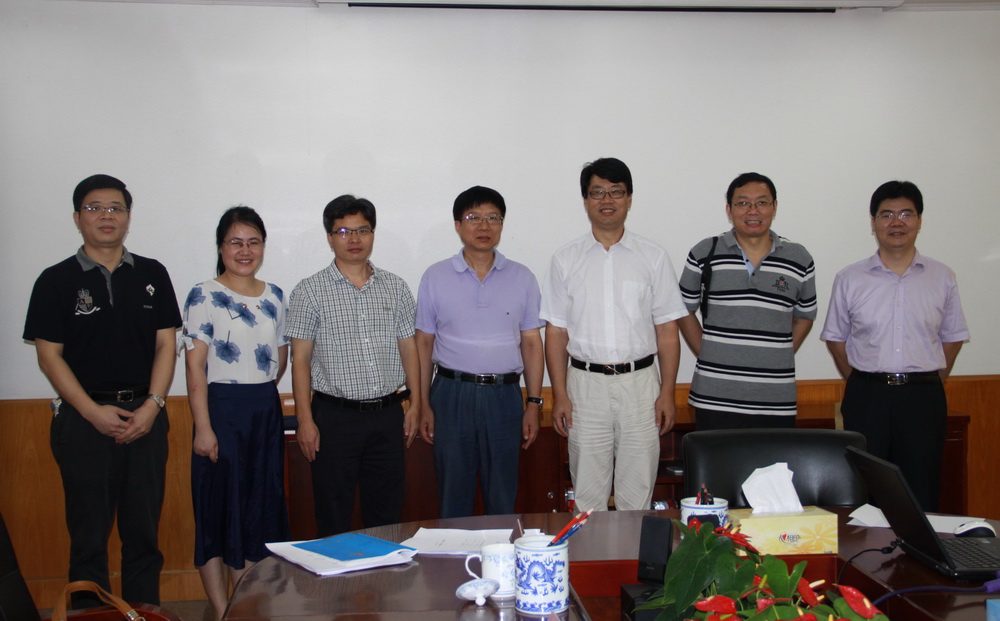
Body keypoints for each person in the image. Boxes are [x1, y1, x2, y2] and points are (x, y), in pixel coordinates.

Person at [22, 174, 181, 607]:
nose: (106, 216)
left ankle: (143, 612)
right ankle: (89, 614)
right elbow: (49, 356)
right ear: (77, 218)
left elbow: (166, 345)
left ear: (128, 217)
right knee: (88, 538)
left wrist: (153, 405)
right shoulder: (54, 280)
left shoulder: (152, 273)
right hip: (82, 423)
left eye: (116, 208)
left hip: (146, 416)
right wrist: (92, 412)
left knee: (143, 534)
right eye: (94, 208)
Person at [541, 158, 687, 513]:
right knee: (587, 495)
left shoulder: (653, 257)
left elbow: (667, 330)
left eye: (616, 192)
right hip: (584, 386)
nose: (607, 200)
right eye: (597, 193)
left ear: (629, 198)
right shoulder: (565, 259)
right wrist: (560, 394)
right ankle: (591, 551)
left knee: (637, 494)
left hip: (641, 385)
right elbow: (556, 333)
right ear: (585, 200)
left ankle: (631, 552)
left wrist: (668, 392)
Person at [820, 180, 969, 511]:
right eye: (886, 214)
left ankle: (919, 547)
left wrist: (929, 379)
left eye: (906, 214)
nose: (896, 222)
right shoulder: (850, 278)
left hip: (923, 397)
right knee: (865, 490)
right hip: (867, 396)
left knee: (922, 487)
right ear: (873, 223)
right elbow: (836, 338)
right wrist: (862, 380)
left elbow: (953, 336)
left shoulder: (942, 276)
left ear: (919, 220)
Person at [285, 194, 420, 537]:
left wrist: (417, 403)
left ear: (373, 234)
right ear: (330, 238)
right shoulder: (310, 291)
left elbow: (409, 349)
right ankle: (335, 574)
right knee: (333, 515)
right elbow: (300, 360)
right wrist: (305, 421)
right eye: (344, 231)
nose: (354, 239)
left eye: (362, 230)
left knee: (387, 516)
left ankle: (386, 572)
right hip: (334, 419)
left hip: (387, 415)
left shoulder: (395, 287)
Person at [181, 206, 290, 620]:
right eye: (235, 242)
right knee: (217, 508)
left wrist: (260, 390)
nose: (245, 251)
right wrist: (203, 428)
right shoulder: (204, 294)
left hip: (264, 411)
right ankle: (222, 609)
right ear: (220, 247)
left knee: (257, 507)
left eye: (253, 242)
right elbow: (194, 366)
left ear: (263, 246)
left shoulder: (275, 295)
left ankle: (249, 605)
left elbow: (280, 358)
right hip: (220, 414)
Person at [415, 186, 544, 518]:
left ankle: (501, 552)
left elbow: (532, 342)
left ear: (502, 225)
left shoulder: (523, 277)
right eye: (474, 218)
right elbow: (424, 343)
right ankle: (451, 553)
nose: (484, 226)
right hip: (451, 394)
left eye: (493, 218)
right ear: (458, 225)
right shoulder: (435, 276)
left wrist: (533, 402)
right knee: (453, 494)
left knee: (502, 494)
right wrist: (423, 403)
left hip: (504, 396)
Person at [677, 172, 817, 430]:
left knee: (774, 458)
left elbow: (805, 316)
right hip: (714, 396)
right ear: (729, 210)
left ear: (774, 207)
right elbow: (684, 310)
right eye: (743, 203)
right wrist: (707, 353)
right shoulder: (705, 252)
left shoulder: (798, 258)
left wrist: (779, 354)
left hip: (775, 398)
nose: (753, 210)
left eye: (762, 202)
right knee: (713, 458)